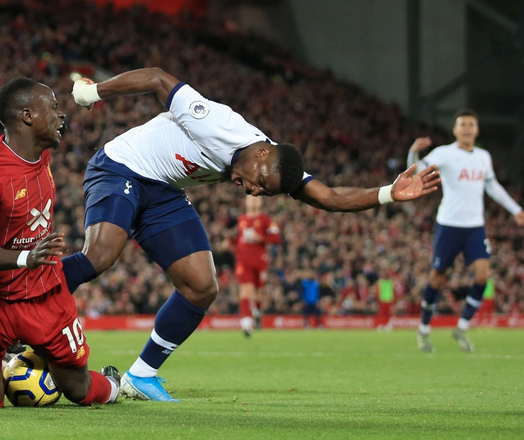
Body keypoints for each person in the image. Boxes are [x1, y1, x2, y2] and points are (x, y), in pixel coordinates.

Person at [64, 67, 440, 401]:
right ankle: (19, 301)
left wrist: (389, 193)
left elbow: (328, 197)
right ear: (261, 154)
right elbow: (158, 78)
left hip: (164, 191)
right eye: (259, 183)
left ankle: (141, 376)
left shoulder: (277, 167)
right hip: (121, 166)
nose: (254, 191)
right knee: (101, 255)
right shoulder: (217, 124)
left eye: (264, 192)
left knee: (201, 286)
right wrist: (93, 92)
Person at [0, 78, 120, 408]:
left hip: (42, 293)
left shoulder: (36, 151)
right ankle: (13, 361)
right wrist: (26, 256)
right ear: (28, 116)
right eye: (53, 108)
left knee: (79, 390)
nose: (61, 117)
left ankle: (114, 384)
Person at [407, 109, 524, 353]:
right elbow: (417, 172)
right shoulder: (445, 153)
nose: (467, 128)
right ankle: (424, 330)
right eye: (463, 124)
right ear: (455, 130)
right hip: (449, 225)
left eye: (471, 124)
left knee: (482, 276)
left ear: (477, 130)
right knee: (438, 278)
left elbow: (492, 186)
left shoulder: (483, 156)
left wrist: (515, 209)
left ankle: (461, 328)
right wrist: (414, 152)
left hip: (474, 227)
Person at [232, 195, 281, 337]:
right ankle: (246, 323)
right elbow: (238, 239)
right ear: (245, 202)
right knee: (246, 289)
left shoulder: (265, 220)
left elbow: (276, 238)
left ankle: (257, 312)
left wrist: (261, 238)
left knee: (258, 293)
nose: (253, 200)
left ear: (260, 202)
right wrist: (230, 243)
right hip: (243, 260)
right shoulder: (241, 219)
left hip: (260, 260)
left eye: (256, 198)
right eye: (250, 198)